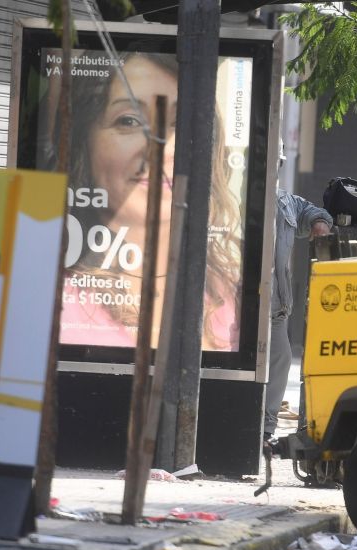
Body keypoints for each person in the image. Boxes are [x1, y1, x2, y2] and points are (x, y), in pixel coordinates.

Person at [51, 52, 242, 351]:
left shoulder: (228, 288)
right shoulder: (49, 290)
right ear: (82, 142)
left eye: (184, 123)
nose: (161, 148)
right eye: (129, 120)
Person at [266, 149, 333, 439]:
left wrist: (321, 223)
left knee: (280, 361)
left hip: (274, 304)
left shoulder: (286, 202)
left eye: (277, 162)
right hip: (234, 304)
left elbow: (314, 212)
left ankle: (266, 427)